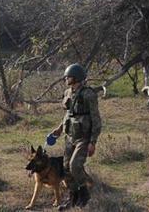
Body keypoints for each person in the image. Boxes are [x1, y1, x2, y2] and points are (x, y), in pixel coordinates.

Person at [51, 63, 102, 210]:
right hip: (70, 135)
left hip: (83, 137)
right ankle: (73, 197)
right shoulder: (68, 93)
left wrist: (93, 141)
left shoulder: (88, 94)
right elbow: (69, 113)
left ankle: (85, 194)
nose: (66, 78)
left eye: (69, 76)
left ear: (77, 77)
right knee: (66, 168)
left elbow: (96, 118)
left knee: (75, 166)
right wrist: (60, 128)